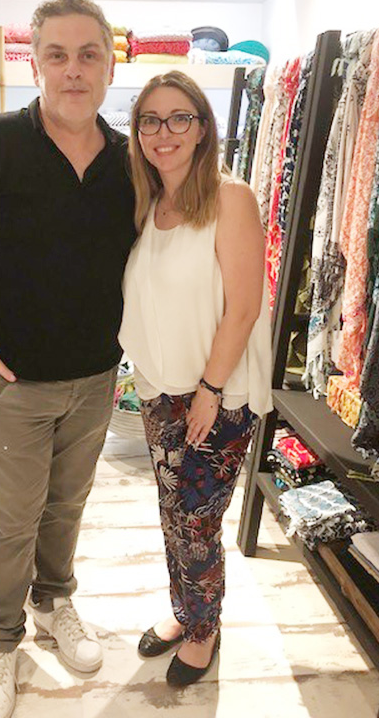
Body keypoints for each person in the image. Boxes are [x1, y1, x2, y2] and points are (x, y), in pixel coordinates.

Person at [0, 0, 136, 718]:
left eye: (88, 54)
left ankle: (53, 601)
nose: (74, 69)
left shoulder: (129, 161)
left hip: (95, 377)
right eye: (57, 55)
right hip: (9, 383)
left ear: (110, 65)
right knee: (9, 522)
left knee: (67, 507)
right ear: (34, 63)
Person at [119, 70, 272, 687]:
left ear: (203, 127)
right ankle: (186, 613)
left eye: (179, 117)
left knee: (197, 522)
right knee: (172, 517)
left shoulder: (231, 198)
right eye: (150, 120)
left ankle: (205, 629)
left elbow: (245, 306)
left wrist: (209, 390)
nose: (165, 132)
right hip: (160, 391)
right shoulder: (148, 205)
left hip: (219, 393)